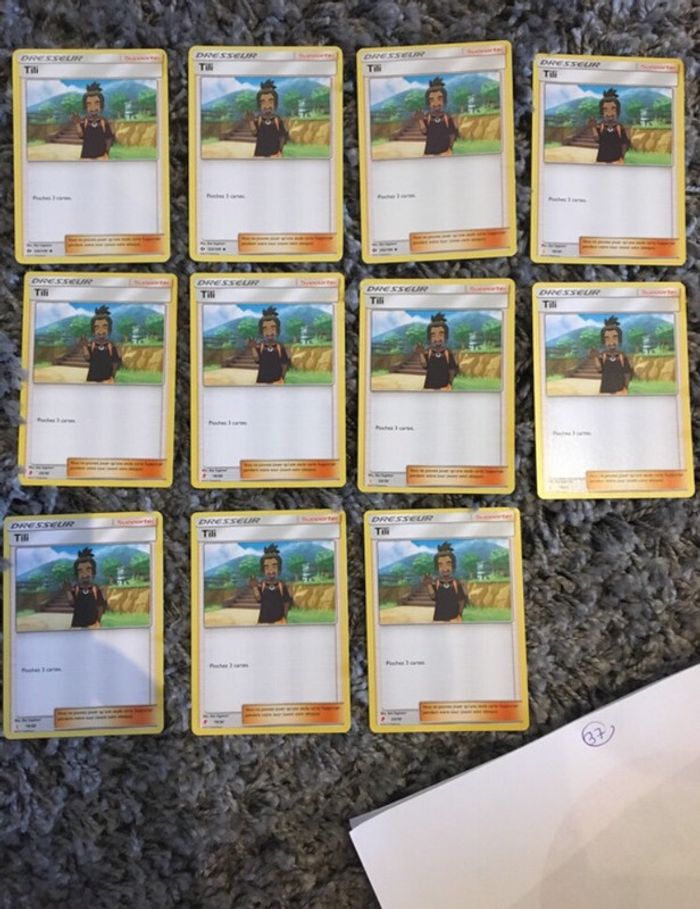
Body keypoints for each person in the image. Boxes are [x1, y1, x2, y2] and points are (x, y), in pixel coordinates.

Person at [414, 77, 459, 156]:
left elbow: (452, 134)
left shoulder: (447, 117)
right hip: (429, 153)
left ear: (444, 100)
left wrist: (450, 149)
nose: (436, 104)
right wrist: (420, 120)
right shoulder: (427, 117)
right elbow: (424, 131)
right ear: (428, 102)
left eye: (439, 98)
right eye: (431, 100)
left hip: (444, 153)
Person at [424, 542, 468, 622]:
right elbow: (433, 597)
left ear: (453, 565)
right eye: (440, 565)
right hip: (438, 620)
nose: (445, 569)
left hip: (453, 619)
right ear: (437, 567)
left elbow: (461, 600)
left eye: (448, 564)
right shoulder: (437, 583)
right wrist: (428, 585)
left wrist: (459, 614)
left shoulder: (456, 583)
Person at [65, 547, 108, 629]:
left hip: (92, 625)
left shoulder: (96, 589)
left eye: (88, 569)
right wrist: (68, 592)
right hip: (77, 626)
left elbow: (100, 606)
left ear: (93, 572)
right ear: (76, 574)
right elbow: (72, 603)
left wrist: (98, 621)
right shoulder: (76, 589)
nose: (84, 574)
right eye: (80, 571)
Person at [249, 544, 293, 624]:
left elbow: (286, 602)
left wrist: (285, 617)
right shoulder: (262, 585)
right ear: (263, 569)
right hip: (263, 622)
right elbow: (259, 599)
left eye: (274, 566)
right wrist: (254, 587)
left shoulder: (282, 585)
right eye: (266, 567)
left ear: (279, 568)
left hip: (278, 622)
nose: (270, 571)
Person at [245, 80, 290, 158]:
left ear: (275, 103)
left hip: (274, 155)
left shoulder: (277, 120)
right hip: (259, 155)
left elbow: (282, 136)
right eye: (263, 102)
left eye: (271, 101)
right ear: (259, 105)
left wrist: (280, 150)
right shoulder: (259, 119)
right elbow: (255, 133)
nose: (267, 106)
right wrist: (250, 121)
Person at [415, 312, 459, 390]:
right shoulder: (428, 351)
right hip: (430, 386)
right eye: (433, 335)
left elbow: (452, 369)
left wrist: (450, 383)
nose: (437, 339)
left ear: (446, 336)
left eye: (441, 334)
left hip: (444, 387)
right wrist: (421, 354)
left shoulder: (448, 352)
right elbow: (425, 365)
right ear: (429, 337)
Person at [72, 82, 116, 160]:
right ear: (85, 106)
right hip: (86, 158)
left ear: (101, 105)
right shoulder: (85, 121)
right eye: (89, 104)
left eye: (97, 103)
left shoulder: (104, 122)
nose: (93, 108)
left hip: (101, 157)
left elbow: (108, 138)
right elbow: (81, 135)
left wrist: (106, 153)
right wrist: (77, 124)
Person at [248, 306, 290, 384]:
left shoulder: (280, 347)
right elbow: (257, 360)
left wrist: (282, 377)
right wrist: (253, 348)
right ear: (261, 331)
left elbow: (284, 364)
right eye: (265, 329)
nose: (269, 332)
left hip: (276, 382)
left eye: (273, 328)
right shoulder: (261, 346)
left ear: (277, 330)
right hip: (262, 382)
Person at [80, 305, 122, 383]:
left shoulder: (112, 346)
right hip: (92, 380)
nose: (101, 331)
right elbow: (88, 358)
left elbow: (115, 363)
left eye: (105, 326)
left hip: (107, 380)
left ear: (109, 329)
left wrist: (112, 376)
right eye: (97, 327)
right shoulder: (92, 345)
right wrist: (84, 347)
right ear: (93, 330)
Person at [594, 316, 634, 395]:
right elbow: (599, 369)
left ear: (619, 339)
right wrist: (595, 358)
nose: (611, 342)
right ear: (603, 341)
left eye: (615, 337)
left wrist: (626, 387)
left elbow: (627, 373)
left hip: (620, 391)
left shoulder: (622, 356)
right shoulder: (603, 356)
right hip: (605, 392)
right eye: (607, 338)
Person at [590, 88, 631, 164]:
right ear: (602, 112)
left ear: (618, 111)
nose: (609, 114)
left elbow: (624, 143)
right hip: (601, 160)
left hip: (616, 160)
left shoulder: (620, 127)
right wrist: (593, 128)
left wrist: (622, 157)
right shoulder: (601, 126)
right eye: (605, 109)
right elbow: (597, 139)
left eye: (613, 109)